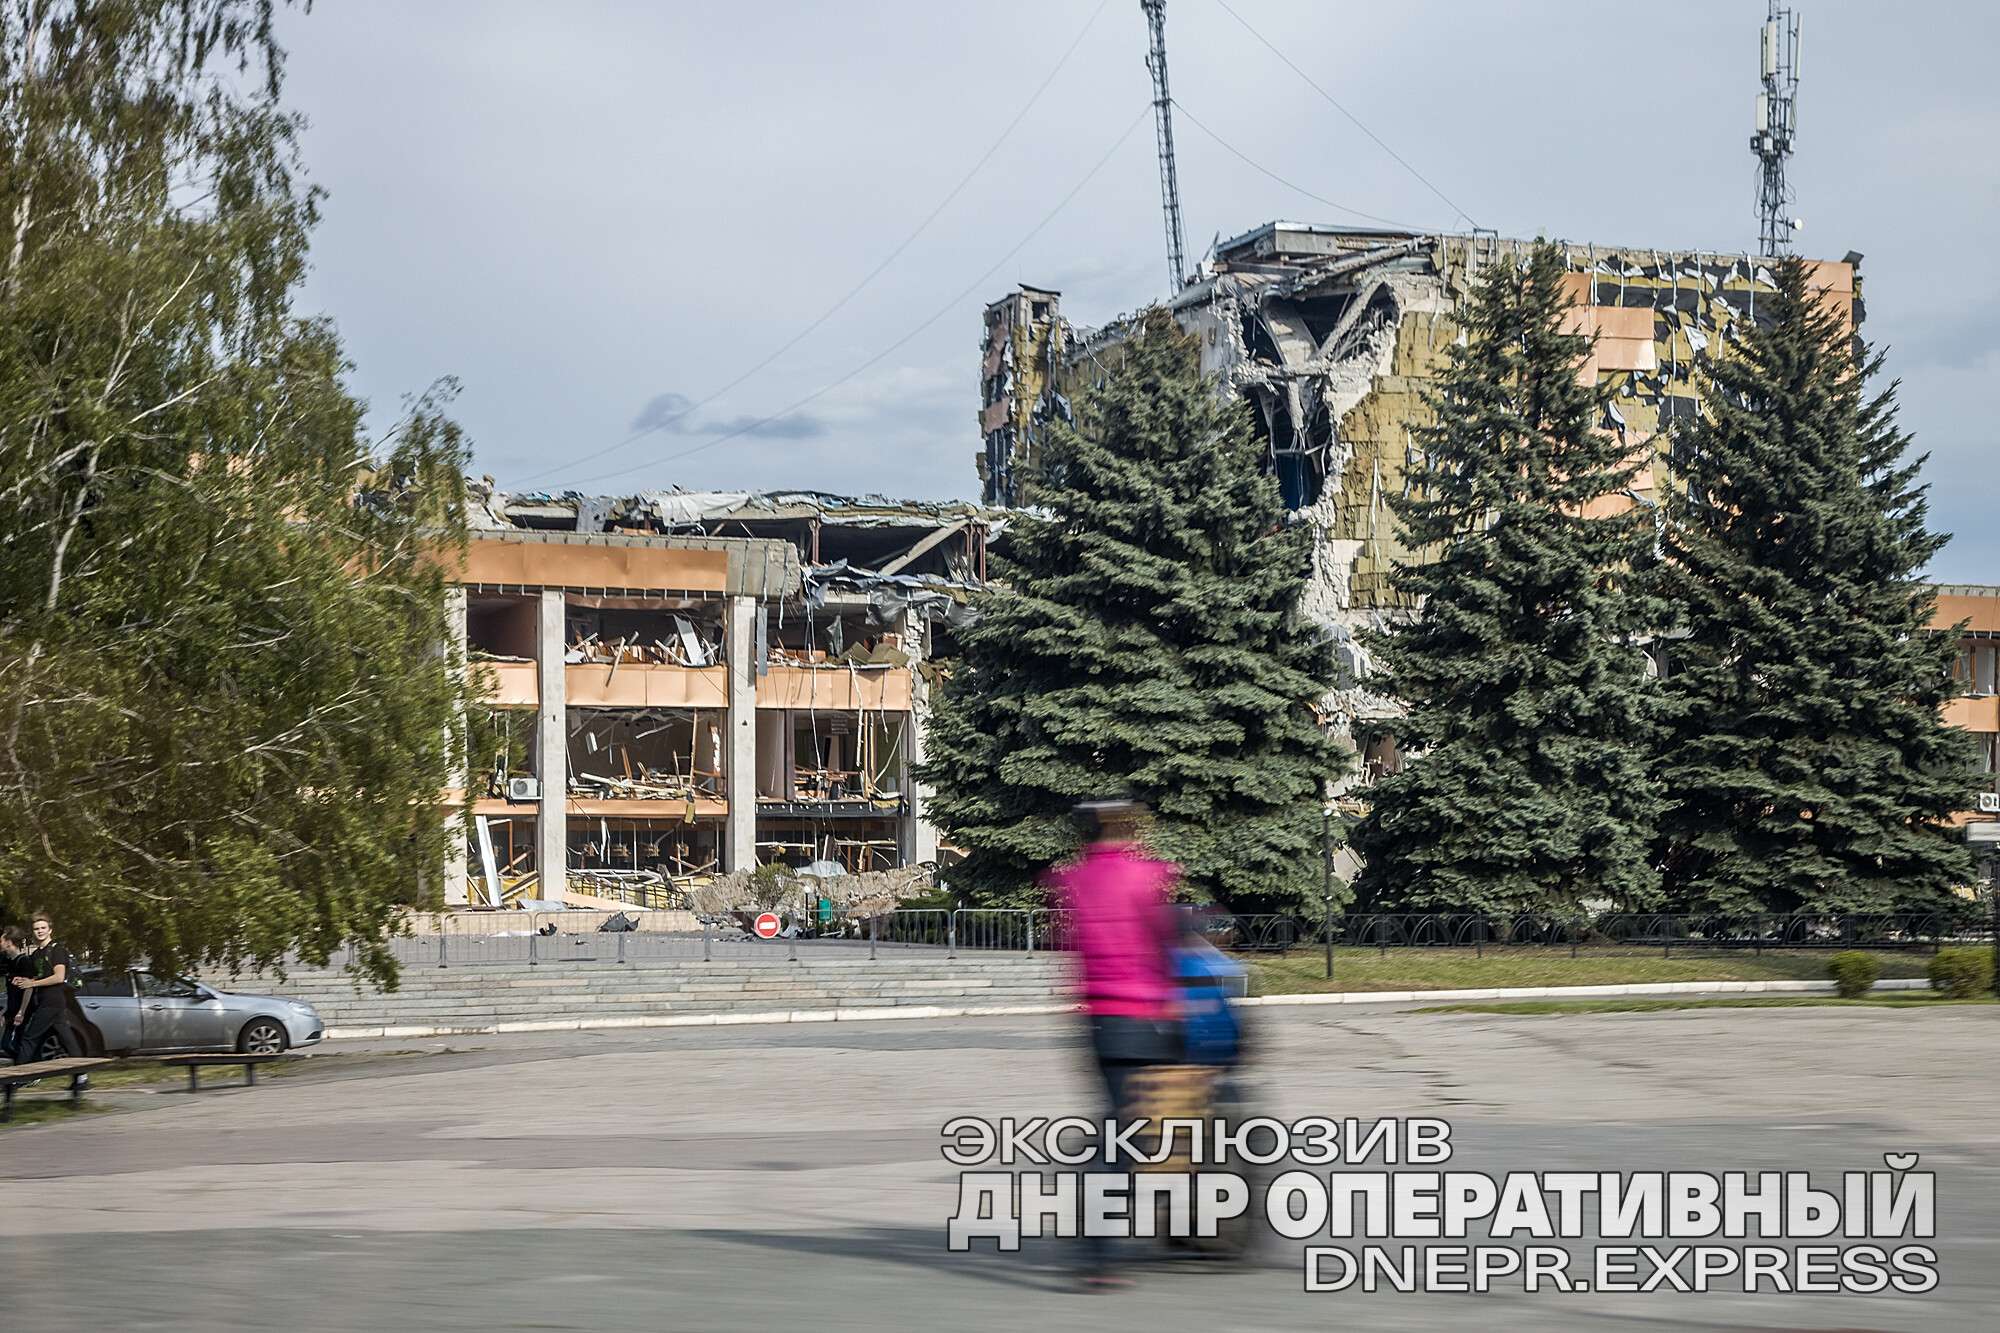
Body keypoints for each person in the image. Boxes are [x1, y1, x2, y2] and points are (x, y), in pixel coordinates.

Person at [1045, 800, 1182, 1289]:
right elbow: (1163, 941)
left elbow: (1071, 941)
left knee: (1116, 1124)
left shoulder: (1075, 881)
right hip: (1142, 1019)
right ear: (1127, 829)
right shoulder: (1142, 876)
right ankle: (1100, 1251)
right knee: (1131, 1137)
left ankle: (1102, 1233)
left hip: (1096, 1023)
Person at [10, 910, 80, 1066]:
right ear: (33, 931)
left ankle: (17, 1078)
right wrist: (22, 1008)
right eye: (36, 929)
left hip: (53, 1001)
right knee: (67, 1040)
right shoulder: (35, 955)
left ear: (50, 930)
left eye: (43, 928)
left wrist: (32, 983)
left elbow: (59, 977)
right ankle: (81, 1077)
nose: (40, 931)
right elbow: (31, 983)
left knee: (29, 1038)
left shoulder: (57, 950)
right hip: (44, 1002)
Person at [0, 926, 30, 1060]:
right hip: (11, 1011)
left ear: (9, 942)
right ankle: (21, 1074)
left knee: (16, 1043)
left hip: (22, 1011)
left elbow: (29, 988)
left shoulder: (24, 961)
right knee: (6, 1044)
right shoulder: (7, 962)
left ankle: (29, 1071)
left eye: (1, 940)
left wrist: (21, 1012)